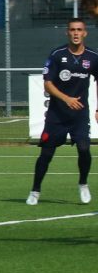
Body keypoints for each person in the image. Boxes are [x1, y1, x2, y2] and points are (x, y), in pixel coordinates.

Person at [26, 18, 98, 206]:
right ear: (67, 32)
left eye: (79, 30)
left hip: (79, 115)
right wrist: (66, 99)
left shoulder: (92, 57)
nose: (76, 33)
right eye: (72, 30)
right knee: (46, 155)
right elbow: (48, 84)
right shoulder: (57, 55)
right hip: (56, 116)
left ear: (85, 33)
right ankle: (35, 190)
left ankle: (83, 183)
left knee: (84, 149)